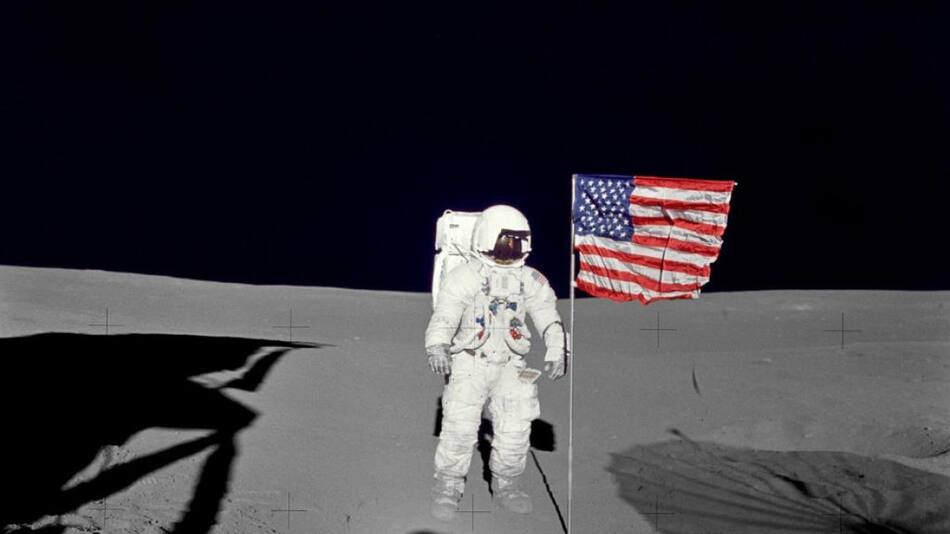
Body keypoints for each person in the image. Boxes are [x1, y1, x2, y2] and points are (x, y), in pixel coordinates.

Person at [425, 204, 568, 521]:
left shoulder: (529, 279)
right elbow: (445, 315)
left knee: (516, 430)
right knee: (459, 430)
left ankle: (507, 486)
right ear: (486, 240)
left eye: (516, 243)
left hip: (512, 365)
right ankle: (448, 488)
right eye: (504, 243)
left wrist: (557, 349)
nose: (509, 251)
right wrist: (437, 346)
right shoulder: (465, 277)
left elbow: (547, 316)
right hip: (469, 362)